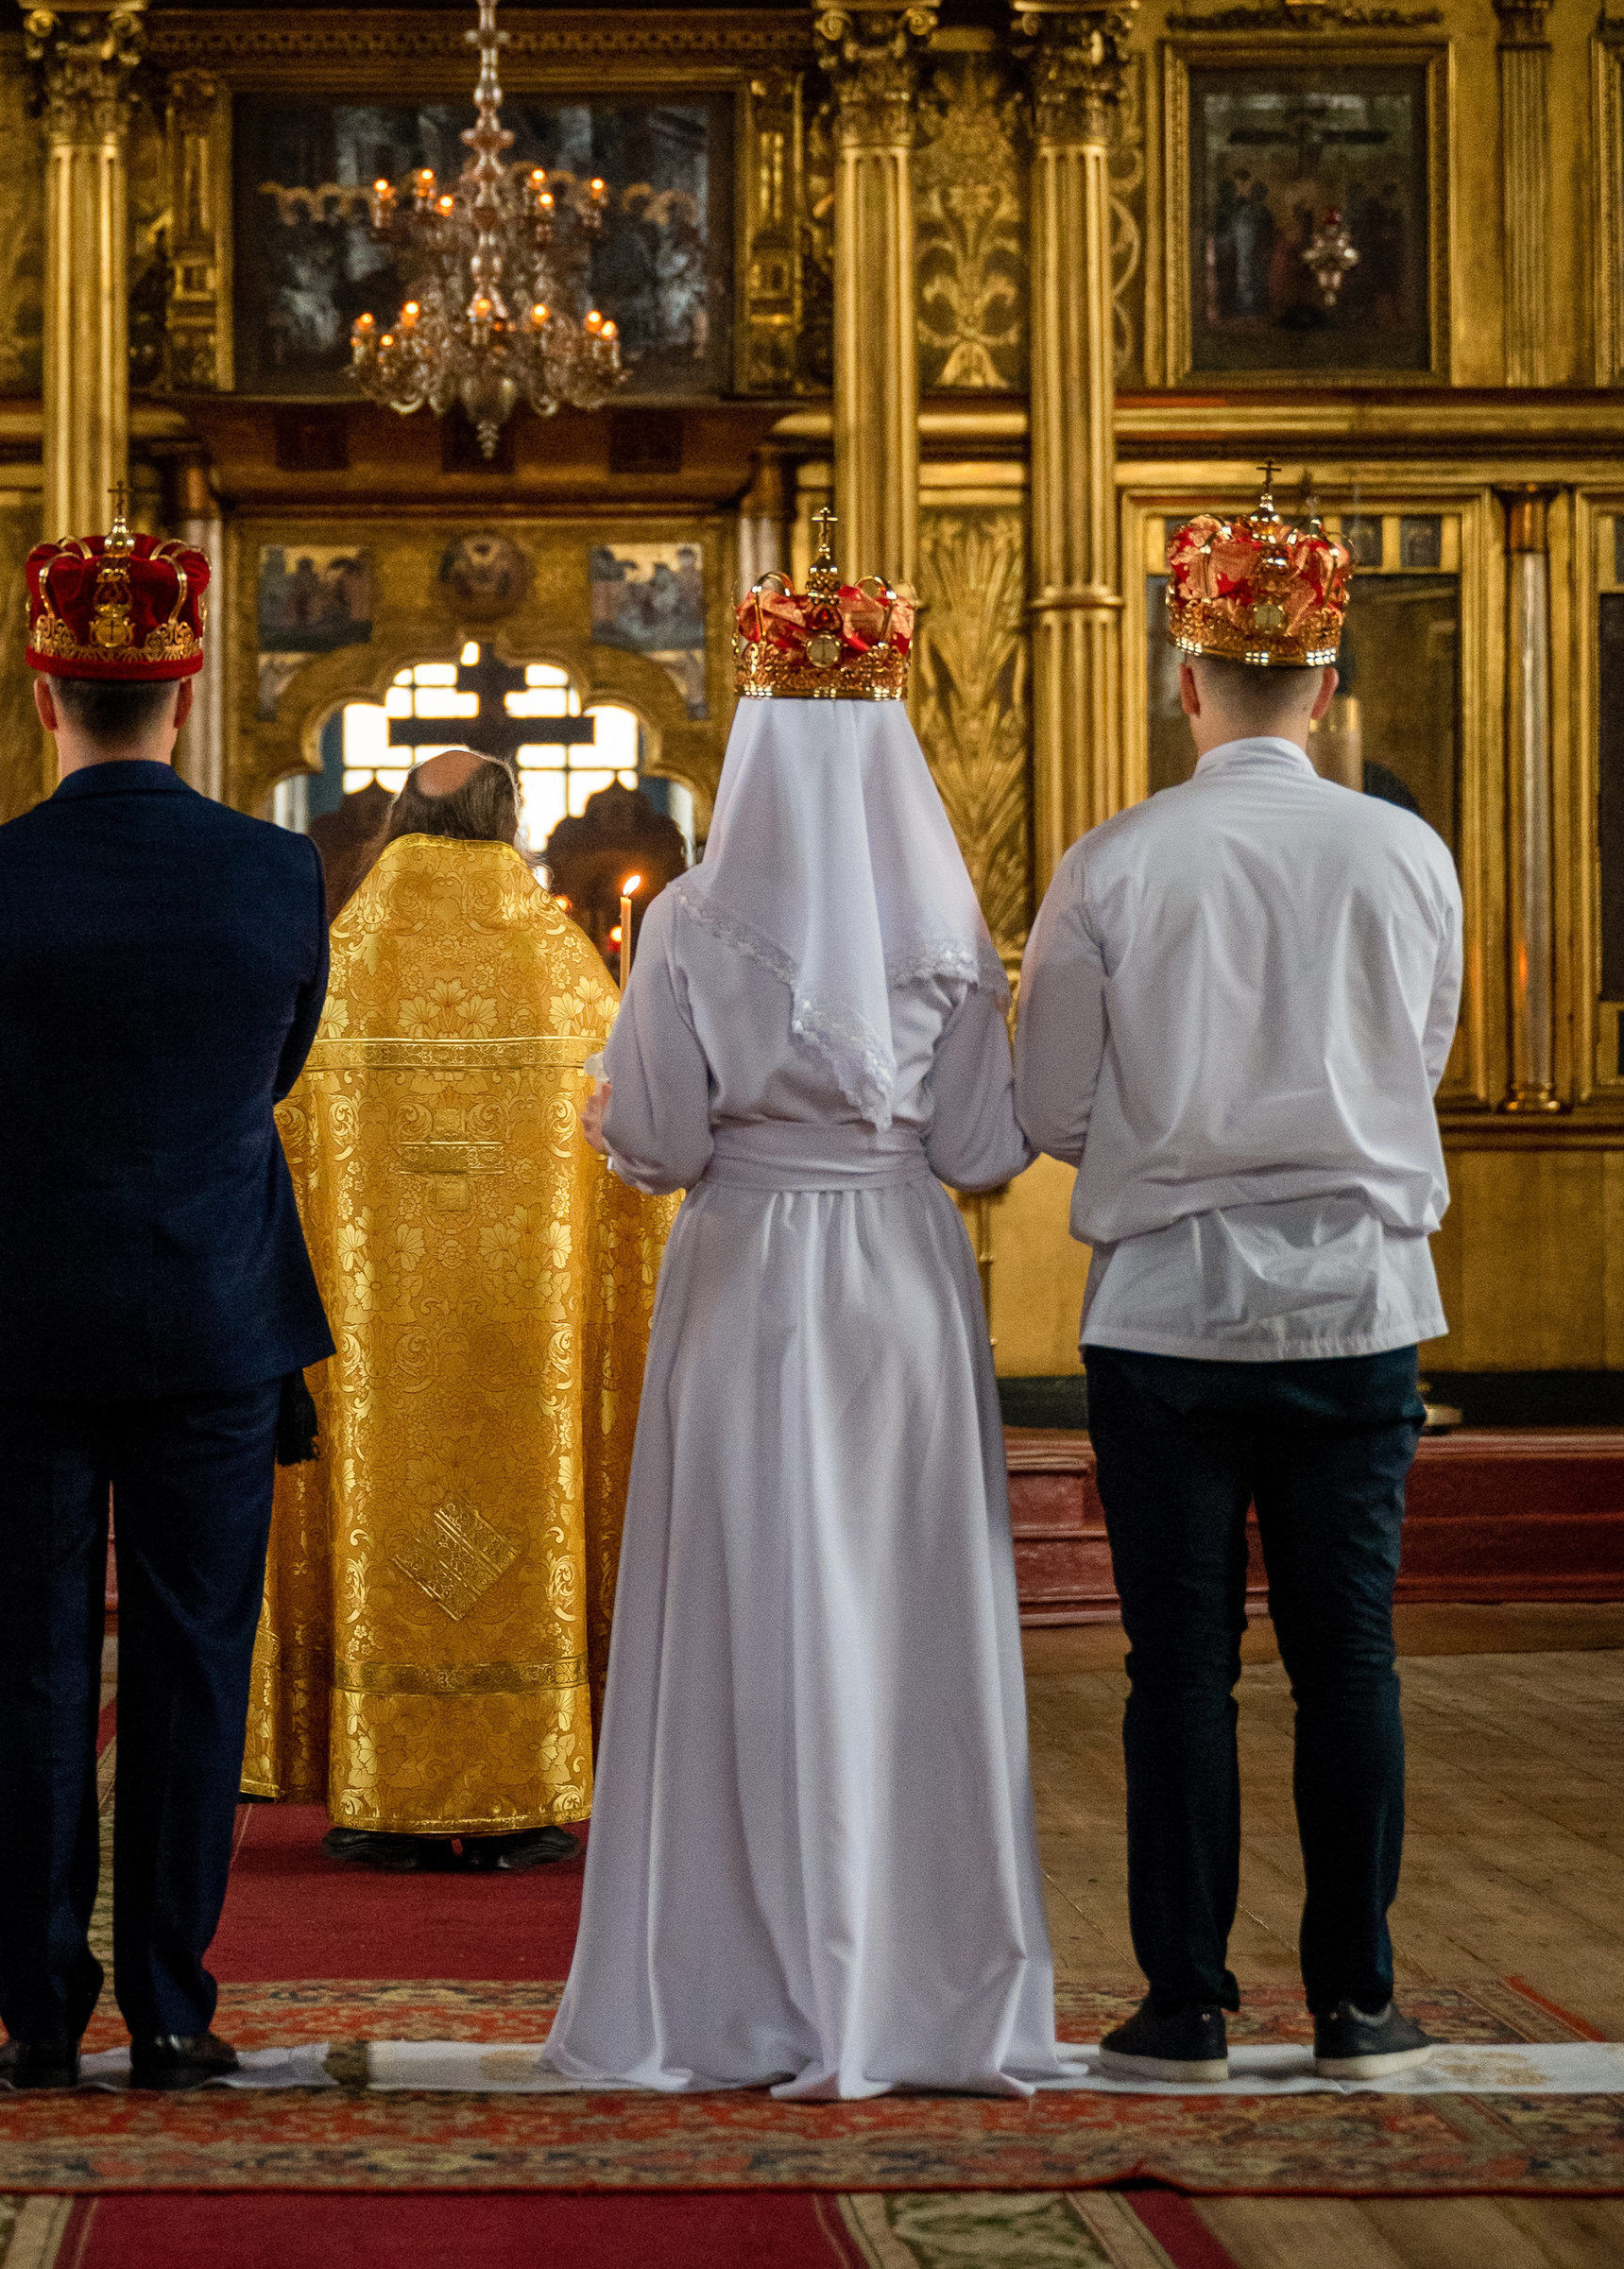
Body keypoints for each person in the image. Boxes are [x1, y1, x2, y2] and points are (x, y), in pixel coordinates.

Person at [543, 522, 1059, 2101]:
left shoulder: (697, 918)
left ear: (754, 732)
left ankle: (733, 1979)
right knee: (900, 1615)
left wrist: (620, 1106)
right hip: (897, 1275)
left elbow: (658, 1140)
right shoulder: (949, 926)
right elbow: (981, 1146)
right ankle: (907, 1979)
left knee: (743, 1602)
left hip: (750, 1265)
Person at [1016, 473, 1462, 2086]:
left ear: (1183, 679)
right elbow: (1420, 1062)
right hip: (1358, 1306)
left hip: (1166, 1315)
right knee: (1352, 1658)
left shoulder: (1117, 857)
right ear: (1328, 685)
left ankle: (1184, 1998)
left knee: (1177, 1666)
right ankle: (1357, 1995)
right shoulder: (1407, 852)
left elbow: (1053, 1105)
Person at [0, 495, 332, 2093]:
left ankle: (32, 2013)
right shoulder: (279, 873)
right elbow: (273, 1072)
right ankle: (174, 2005)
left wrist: (36, 1178)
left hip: (20, 1319)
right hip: (215, 1313)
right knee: (199, 1654)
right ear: (188, 691)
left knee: (31, 1660)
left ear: (40, 688)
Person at [245, 749, 672, 1872]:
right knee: (525, 1496)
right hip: (523, 1345)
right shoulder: (566, 971)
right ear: (510, 818)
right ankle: (523, 1791)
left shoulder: (336, 964)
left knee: (375, 1501)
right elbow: (636, 1173)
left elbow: (273, 1147)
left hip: (370, 1345)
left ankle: (370, 1779)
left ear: (394, 819)